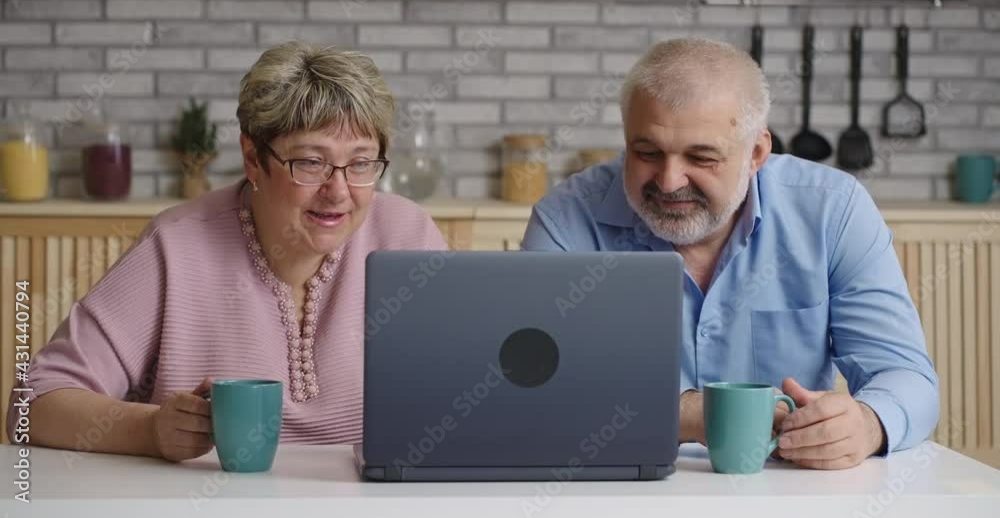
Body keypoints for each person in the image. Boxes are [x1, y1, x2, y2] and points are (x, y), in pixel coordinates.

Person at [7, 41, 448, 462]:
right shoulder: (176, 246)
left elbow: (463, 391)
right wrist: (150, 430)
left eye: (360, 163)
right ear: (253, 158)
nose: (339, 191)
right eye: (311, 163)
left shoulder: (409, 237)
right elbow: (32, 406)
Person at [520, 38, 939, 470]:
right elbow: (528, 390)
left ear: (757, 152)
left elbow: (906, 376)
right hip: (621, 484)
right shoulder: (567, 220)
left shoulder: (833, 211)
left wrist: (869, 424)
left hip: (786, 490)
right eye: (646, 153)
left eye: (701, 157)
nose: (668, 181)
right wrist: (685, 415)